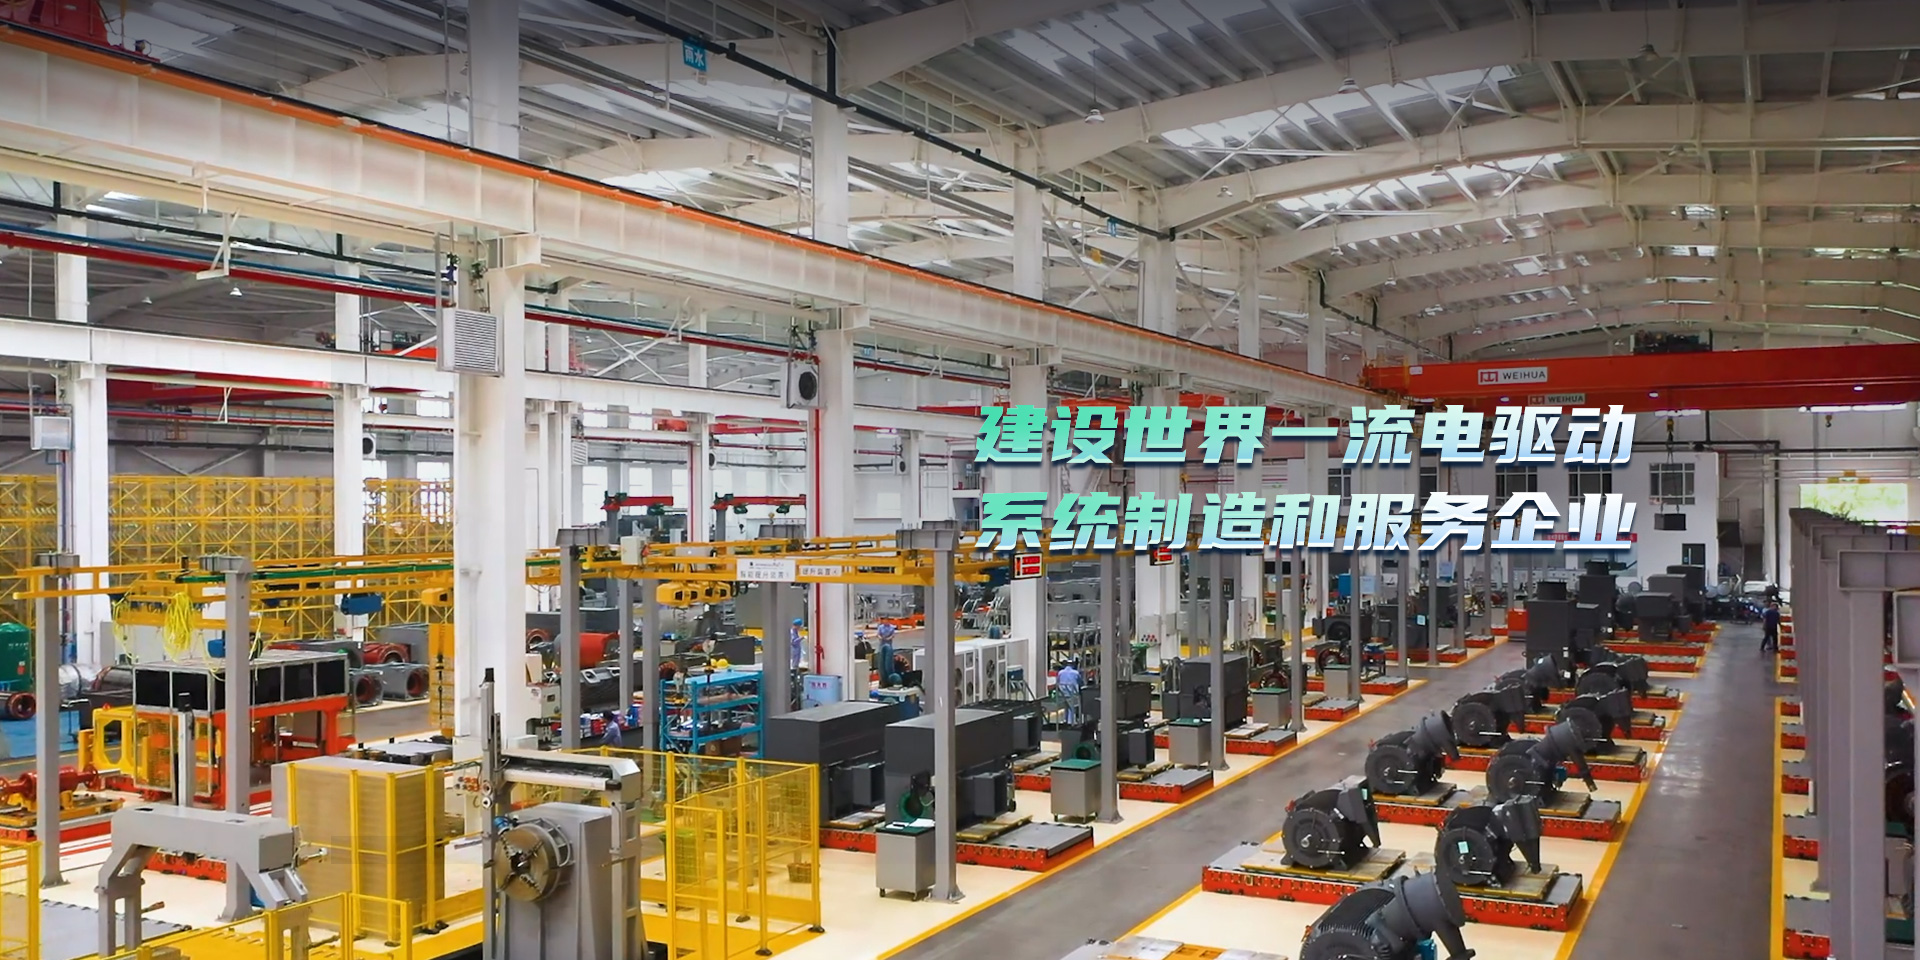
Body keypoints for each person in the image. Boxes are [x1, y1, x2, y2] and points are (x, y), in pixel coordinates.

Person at [1056, 658, 1082, 724]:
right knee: (1073, 707)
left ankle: (1066, 720)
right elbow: (1080, 682)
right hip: (1073, 692)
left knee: (1066, 707)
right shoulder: (1076, 673)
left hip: (1063, 693)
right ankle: (1071, 722)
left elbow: (1057, 681)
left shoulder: (1060, 672)